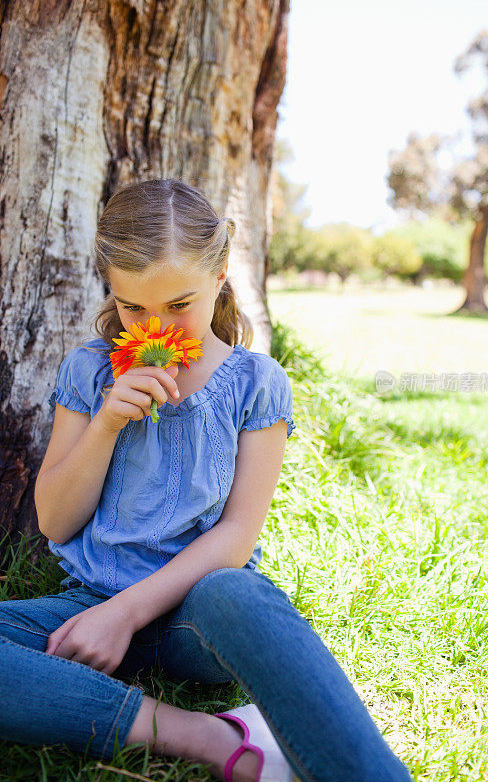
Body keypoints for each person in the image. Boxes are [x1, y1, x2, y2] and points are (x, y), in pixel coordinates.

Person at [0, 179, 413, 782]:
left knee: (239, 592)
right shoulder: (89, 370)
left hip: (198, 611)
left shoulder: (256, 383)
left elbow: (237, 536)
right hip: (88, 605)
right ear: (111, 288)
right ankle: (207, 736)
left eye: (178, 305)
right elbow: (55, 521)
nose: (155, 326)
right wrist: (107, 422)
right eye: (132, 307)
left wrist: (126, 614)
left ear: (220, 274)